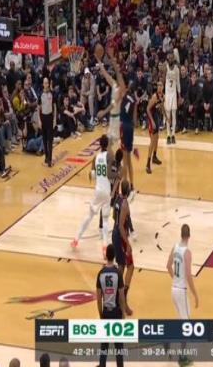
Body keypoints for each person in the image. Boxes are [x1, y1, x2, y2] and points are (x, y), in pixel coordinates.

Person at [72, 135, 112, 250]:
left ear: (100, 145)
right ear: (107, 144)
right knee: (105, 220)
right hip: (107, 191)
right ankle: (105, 246)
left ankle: (76, 239)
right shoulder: (109, 156)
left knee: (89, 216)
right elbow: (111, 174)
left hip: (98, 190)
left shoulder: (96, 157)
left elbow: (93, 175)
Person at [166, 224, 199, 367]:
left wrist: (175, 279)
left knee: (180, 322)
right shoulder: (187, 252)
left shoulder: (174, 247)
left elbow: (168, 266)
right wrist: (195, 294)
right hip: (181, 291)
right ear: (189, 236)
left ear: (181, 234)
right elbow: (189, 275)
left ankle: (167, 340)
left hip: (173, 289)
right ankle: (182, 357)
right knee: (186, 326)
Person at [96, 244, 132, 367]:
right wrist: (123, 315)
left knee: (104, 347)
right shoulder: (118, 274)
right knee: (119, 347)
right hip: (116, 313)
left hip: (106, 312)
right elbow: (122, 298)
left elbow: (98, 299)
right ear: (115, 256)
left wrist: (101, 315)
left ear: (106, 256)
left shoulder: (100, 274)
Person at [112, 180, 135, 308]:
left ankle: (117, 296)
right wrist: (127, 243)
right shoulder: (125, 204)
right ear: (129, 191)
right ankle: (122, 298)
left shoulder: (117, 199)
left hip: (115, 234)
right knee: (130, 266)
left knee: (121, 265)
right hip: (121, 237)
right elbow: (121, 226)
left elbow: (113, 217)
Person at [96, 53, 126, 147]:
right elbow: (105, 74)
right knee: (109, 144)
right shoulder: (114, 84)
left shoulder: (121, 90)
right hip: (112, 118)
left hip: (118, 120)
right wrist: (99, 61)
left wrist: (103, 112)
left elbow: (114, 104)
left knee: (117, 145)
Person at [120, 80, 138, 199]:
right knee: (129, 160)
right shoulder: (134, 101)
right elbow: (135, 122)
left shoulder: (123, 95)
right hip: (130, 128)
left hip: (123, 126)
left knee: (124, 161)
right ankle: (131, 185)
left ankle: (125, 189)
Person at [146, 81, 164, 174]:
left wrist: (167, 118)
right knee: (152, 141)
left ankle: (154, 157)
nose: (159, 87)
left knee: (157, 138)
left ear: (163, 87)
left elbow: (162, 107)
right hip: (151, 119)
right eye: (158, 85)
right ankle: (147, 164)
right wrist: (152, 121)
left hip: (156, 118)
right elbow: (147, 109)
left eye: (161, 85)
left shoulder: (162, 96)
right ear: (157, 87)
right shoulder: (154, 96)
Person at [39, 77, 55, 167]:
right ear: (43, 84)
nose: (46, 84)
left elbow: (54, 106)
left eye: (47, 83)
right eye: (44, 83)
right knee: (44, 139)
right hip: (43, 117)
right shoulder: (40, 94)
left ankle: (50, 159)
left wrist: (55, 119)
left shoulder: (51, 93)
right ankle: (46, 157)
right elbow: (38, 107)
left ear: (48, 84)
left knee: (50, 140)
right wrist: (39, 120)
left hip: (50, 117)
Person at [164, 52, 180, 144]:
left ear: (173, 59)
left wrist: (179, 95)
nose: (170, 59)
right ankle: (168, 135)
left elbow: (178, 82)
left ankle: (173, 135)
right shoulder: (165, 67)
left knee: (173, 115)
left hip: (174, 94)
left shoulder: (177, 69)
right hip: (167, 94)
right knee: (168, 115)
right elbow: (162, 80)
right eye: (169, 58)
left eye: (171, 58)